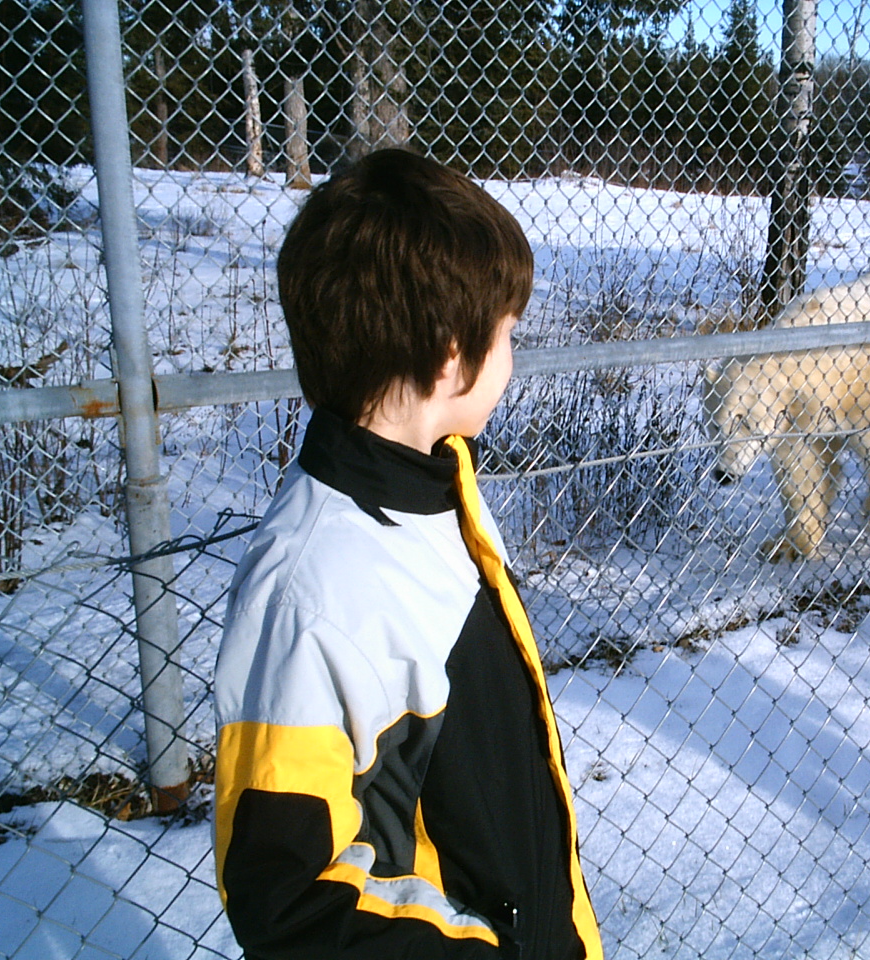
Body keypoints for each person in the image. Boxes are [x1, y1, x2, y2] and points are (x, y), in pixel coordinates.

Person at [212, 149, 603, 960]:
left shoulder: (436, 485)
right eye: (508, 337)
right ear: (451, 355)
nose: (513, 360)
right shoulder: (311, 593)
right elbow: (287, 902)